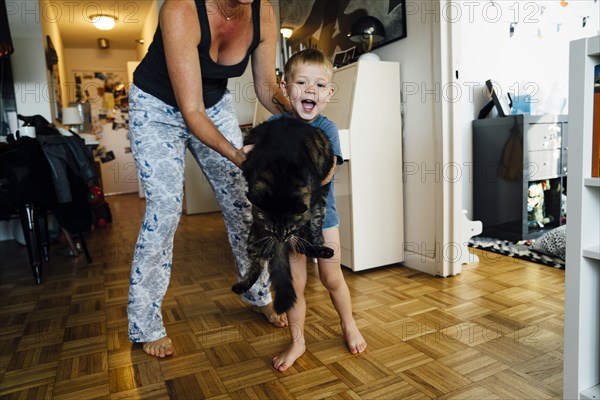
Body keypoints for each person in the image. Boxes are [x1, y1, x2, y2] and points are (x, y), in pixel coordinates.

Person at [127, 0, 290, 358]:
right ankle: (145, 323)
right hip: (156, 107)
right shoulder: (180, 9)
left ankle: (257, 293)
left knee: (244, 204)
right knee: (164, 211)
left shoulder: (263, 13)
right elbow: (191, 111)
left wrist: (301, 115)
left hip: (214, 104)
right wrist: (238, 156)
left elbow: (266, 90)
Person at [267, 49, 367, 372]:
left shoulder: (327, 129)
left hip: (324, 221)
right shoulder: (276, 125)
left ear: (330, 93)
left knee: (331, 276)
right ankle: (298, 340)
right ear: (285, 86)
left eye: (320, 85)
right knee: (294, 284)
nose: (311, 90)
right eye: (302, 82)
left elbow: (329, 169)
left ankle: (348, 323)